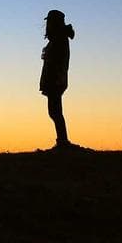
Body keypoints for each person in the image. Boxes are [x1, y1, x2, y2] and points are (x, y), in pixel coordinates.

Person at [40, 9, 75, 148]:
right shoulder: (58, 38)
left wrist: (55, 79)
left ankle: (63, 141)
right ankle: (62, 141)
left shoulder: (59, 39)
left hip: (55, 80)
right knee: (55, 111)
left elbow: (57, 62)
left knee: (55, 112)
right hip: (55, 80)